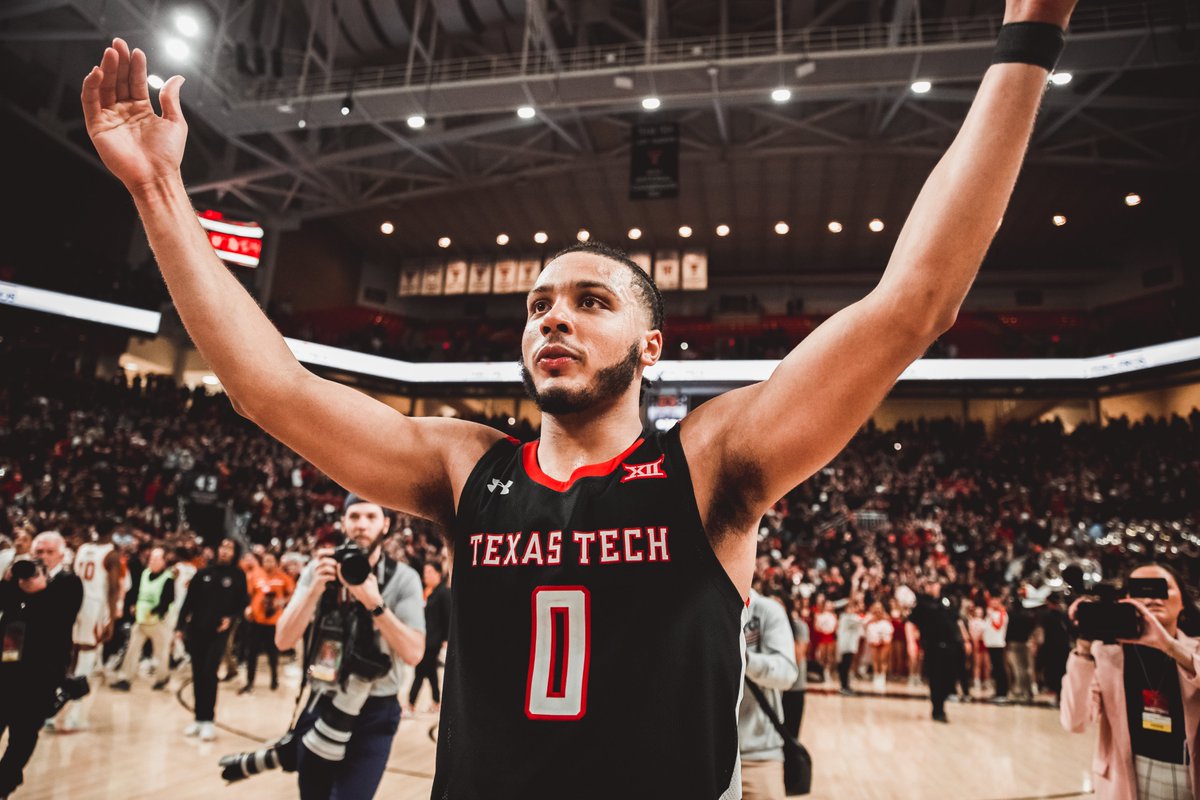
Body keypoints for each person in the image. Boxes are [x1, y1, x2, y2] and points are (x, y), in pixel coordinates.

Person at [80, 3, 1082, 791]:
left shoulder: (709, 459)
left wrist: (1030, 30)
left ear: (650, 345)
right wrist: (160, 194)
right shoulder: (465, 465)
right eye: (537, 304)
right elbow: (267, 385)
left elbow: (915, 301)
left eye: (589, 301)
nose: (552, 319)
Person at [275, 494, 425, 800]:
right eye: (354, 517)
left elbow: (414, 653)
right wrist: (315, 589)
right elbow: (283, 640)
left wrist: (375, 604)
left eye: (371, 517)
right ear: (343, 523)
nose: (361, 525)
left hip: (376, 709)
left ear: (385, 524)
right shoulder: (319, 570)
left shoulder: (404, 579)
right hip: (322, 698)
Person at [1061, 563, 1200, 800]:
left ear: (1184, 602)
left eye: (1161, 588)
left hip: (1190, 776)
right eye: (1140, 590)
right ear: (1126, 600)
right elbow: (1076, 722)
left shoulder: (1194, 651)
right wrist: (1083, 650)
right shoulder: (1106, 656)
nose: (1151, 598)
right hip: (1125, 779)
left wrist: (1171, 647)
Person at [0, 554, 83, 797]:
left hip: (39, 680)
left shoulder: (65, 587)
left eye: (47, 551)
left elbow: (64, 611)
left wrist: (41, 587)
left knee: (21, 739)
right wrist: (7, 580)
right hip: (6, 675)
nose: (27, 577)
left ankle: (3, 784)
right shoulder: (15, 594)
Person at [174, 538, 248, 741]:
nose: (225, 551)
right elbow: (188, 602)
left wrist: (231, 618)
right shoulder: (204, 573)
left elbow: (242, 604)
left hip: (219, 633)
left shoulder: (238, 576)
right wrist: (180, 627)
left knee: (209, 672)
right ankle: (198, 719)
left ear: (235, 553)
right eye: (222, 547)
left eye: (229, 548)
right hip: (197, 631)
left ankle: (209, 720)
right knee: (198, 674)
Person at [738, 590, 800, 800]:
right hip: (700, 756)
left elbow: (786, 674)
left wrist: (742, 658)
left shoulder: (766, 610)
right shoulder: (696, 607)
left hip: (756, 757)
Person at [61, 526, 124, 730]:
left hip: (72, 602)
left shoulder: (82, 549)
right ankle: (74, 712)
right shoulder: (111, 554)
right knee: (86, 655)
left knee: (70, 655)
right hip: (94, 605)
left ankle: (52, 712)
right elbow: (113, 588)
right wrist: (112, 618)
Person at [111, 545, 174, 691]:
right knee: (132, 650)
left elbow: (168, 600)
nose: (152, 561)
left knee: (161, 653)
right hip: (141, 621)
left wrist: (155, 611)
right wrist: (134, 605)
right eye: (151, 558)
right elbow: (138, 592)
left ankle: (162, 678)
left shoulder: (168, 578)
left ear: (164, 561)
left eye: (156, 559)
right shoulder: (145, 573)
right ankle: (125, 679)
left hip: (158, 622)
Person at [908, 581, 966, 723]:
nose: (932, 586)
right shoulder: (922, 604)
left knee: (950, 677)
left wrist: (965, 639)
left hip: (951, 644)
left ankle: (945, 697)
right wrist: (911, 643)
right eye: (929, 584)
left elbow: (957, 621)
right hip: (933, 646)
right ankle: (938, 710)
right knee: (936, 678)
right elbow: (910, 622)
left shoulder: (947, 601)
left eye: (934, 584)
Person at [240, 551, 294, 693]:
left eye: (271, 560)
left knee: (272, 653)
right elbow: (249, 595)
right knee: (251, 653)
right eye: (265, 560)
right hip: (256, 621)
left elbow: (292, 594)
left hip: (274, 622)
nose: (268, 563)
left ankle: (274, 679)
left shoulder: (283, 577)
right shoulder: (255, 576)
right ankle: (250, 682)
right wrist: (249, 608)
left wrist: (283, 602)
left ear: (275, 562)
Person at [407, 560, 450, 714]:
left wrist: (446, 639)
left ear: (438, 574)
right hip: (423, 637)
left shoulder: (444, 593)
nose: (426, 575)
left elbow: (448, 617)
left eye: (429, 572)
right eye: (424, 572)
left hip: (434, 640)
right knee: (431, 672)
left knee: (419, 671)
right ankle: (437, 702)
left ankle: (410, 703)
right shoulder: (426, 591)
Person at [782, 601, 809, 740]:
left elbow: (797, 657)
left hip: (794, 687)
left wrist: (786, 628)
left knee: (792, 735)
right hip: (774, 688)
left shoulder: (799, 626)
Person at [984, 593, 1011, 702]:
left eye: (995, 600)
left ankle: (1002, 693)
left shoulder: (1002, 613)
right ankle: (997, 691)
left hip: (998, 644)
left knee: (1000, 669)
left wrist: (990, 616)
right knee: (995, 669)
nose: (993, 602)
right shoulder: (991, 613)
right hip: (990, 644)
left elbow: (997, 626)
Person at [836, 597, 865, 695]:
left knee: (846, 667)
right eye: (850, 608)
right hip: (846, 646)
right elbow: (862, 621)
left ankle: (845, 685)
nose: (852, 610)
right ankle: (844, 686)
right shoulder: (847, 618)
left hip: (848, 646)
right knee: (845, 667)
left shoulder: (848, 617)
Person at [865, 601, 894, 693]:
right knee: (875, 659)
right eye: (876, 607)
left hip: (885, 639)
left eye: (879, 607)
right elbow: (864, 624)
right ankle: (876, 676)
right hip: (874, 638)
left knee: (883, 659)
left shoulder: (886, 616)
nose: (877, 609)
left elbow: (890, 627)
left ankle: (882, 677)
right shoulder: (869, 616)